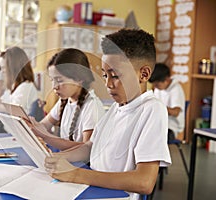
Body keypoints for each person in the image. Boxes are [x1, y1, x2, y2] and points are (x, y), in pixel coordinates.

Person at [39, 29, 171, 199]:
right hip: (92, 190)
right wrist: (57, 158)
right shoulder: (116, 108)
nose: (108, 84)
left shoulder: (152, 109)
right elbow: (90, 147)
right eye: (104, 75)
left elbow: (144, 182)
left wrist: (75, 174)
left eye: (115, 75)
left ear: (143, 74)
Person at [31, 48, 105, 151]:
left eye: (59, 80)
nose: (54, 87)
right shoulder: (64, 100)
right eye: (52, 80)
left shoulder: (92, 107)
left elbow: (87, 150)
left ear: (79, 78)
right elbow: (44, 125)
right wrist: (31, 125)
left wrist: (47, 137)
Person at [0, 46, 39, 115]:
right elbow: (3, 101)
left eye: (4, 68)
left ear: (14, 69)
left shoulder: (26, 86)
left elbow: (14, 109)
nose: (2, 72)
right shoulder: (13, 86)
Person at [149, 63, 185, 141]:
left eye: (157, 85)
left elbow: (176, 112)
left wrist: (159, 107)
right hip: (158, 124)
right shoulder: (158, 89)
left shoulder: (176, 89)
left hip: (171, 127)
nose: (155, 87)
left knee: (153, 137)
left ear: (167, 79)